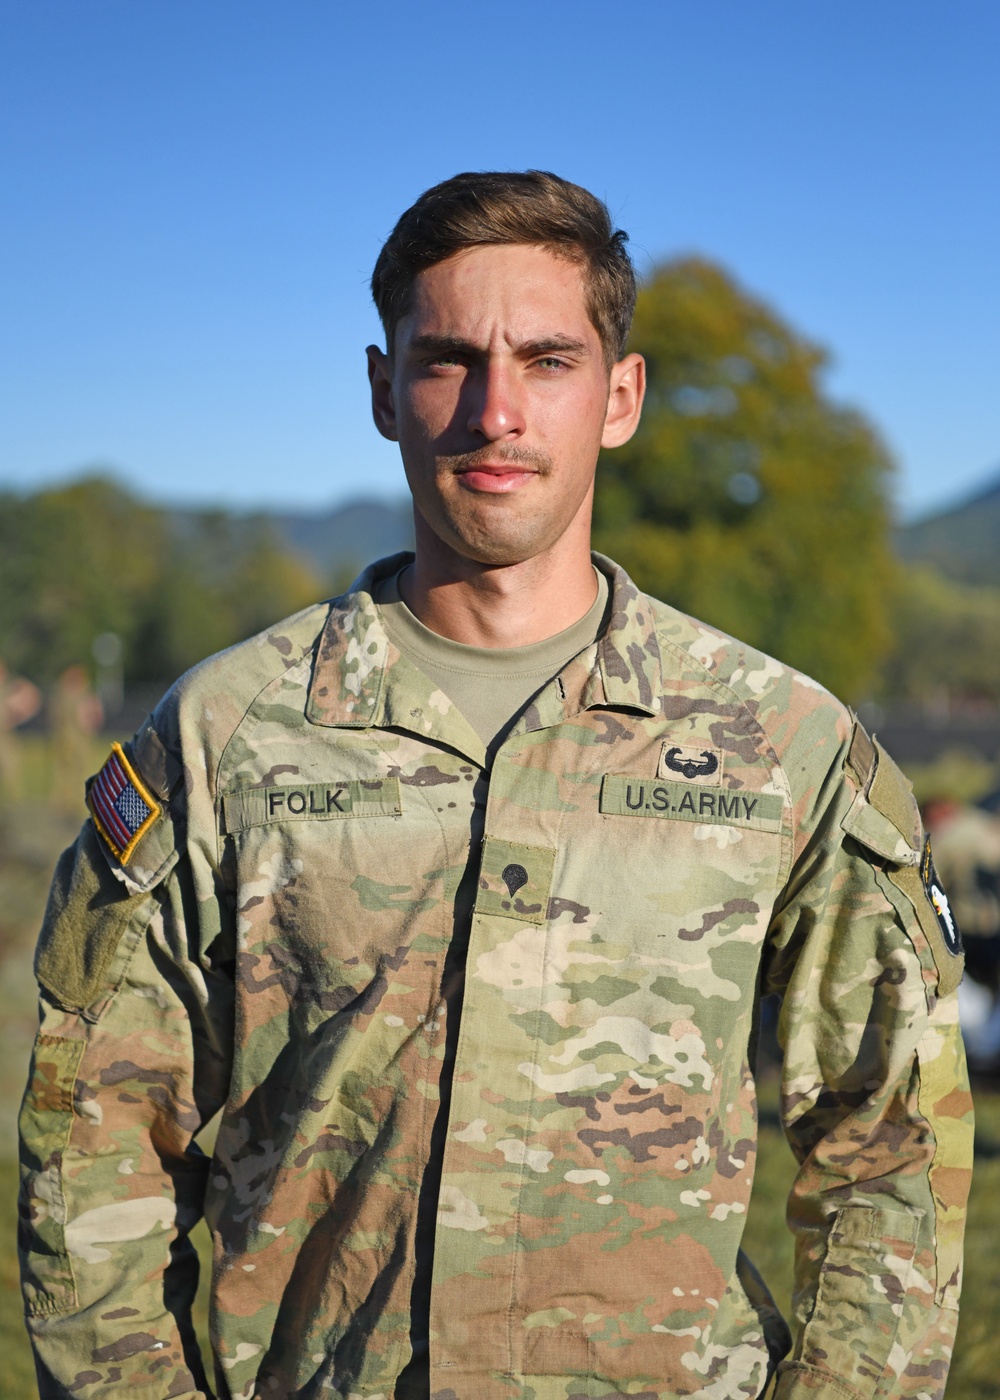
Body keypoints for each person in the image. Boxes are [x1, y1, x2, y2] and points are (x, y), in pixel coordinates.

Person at [18, 171, 972, 1400]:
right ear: (381, 391)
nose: (495, 411)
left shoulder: (776, 741)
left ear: (620, 396)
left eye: (548, 359)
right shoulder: (221, 736)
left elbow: (888, 1143)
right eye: (448, 360)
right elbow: (94, 1144)